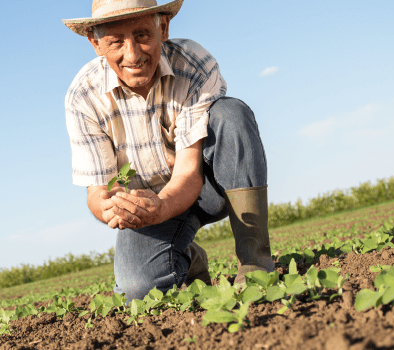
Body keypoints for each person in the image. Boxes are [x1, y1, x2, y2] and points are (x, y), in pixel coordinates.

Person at [63, 0, 274, 301]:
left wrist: (162, 204)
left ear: (162, 27)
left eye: (142, 35)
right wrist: (110, 207)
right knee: (138, 289)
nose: (133, 55)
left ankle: (256, 262)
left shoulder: (193, 64)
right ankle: (188, 259)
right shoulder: (84, 96)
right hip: (153, 210)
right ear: (95, 43)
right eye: (116, 42)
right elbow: (97, 192)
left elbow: (189, 172)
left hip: (211, 184)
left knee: (231, 114)